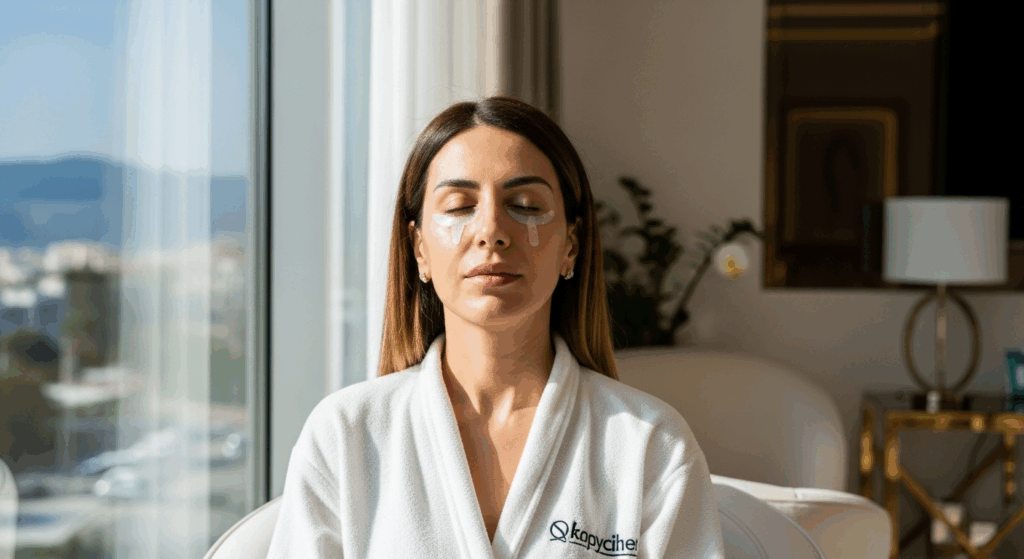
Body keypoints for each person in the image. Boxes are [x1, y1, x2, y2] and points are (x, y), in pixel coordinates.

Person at [266, 96, 724, 558]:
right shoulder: (346, 435)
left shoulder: (651, 446)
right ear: (419, 248)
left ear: (571, 244)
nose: (491, 230)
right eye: (460, 206)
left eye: (525, 205)